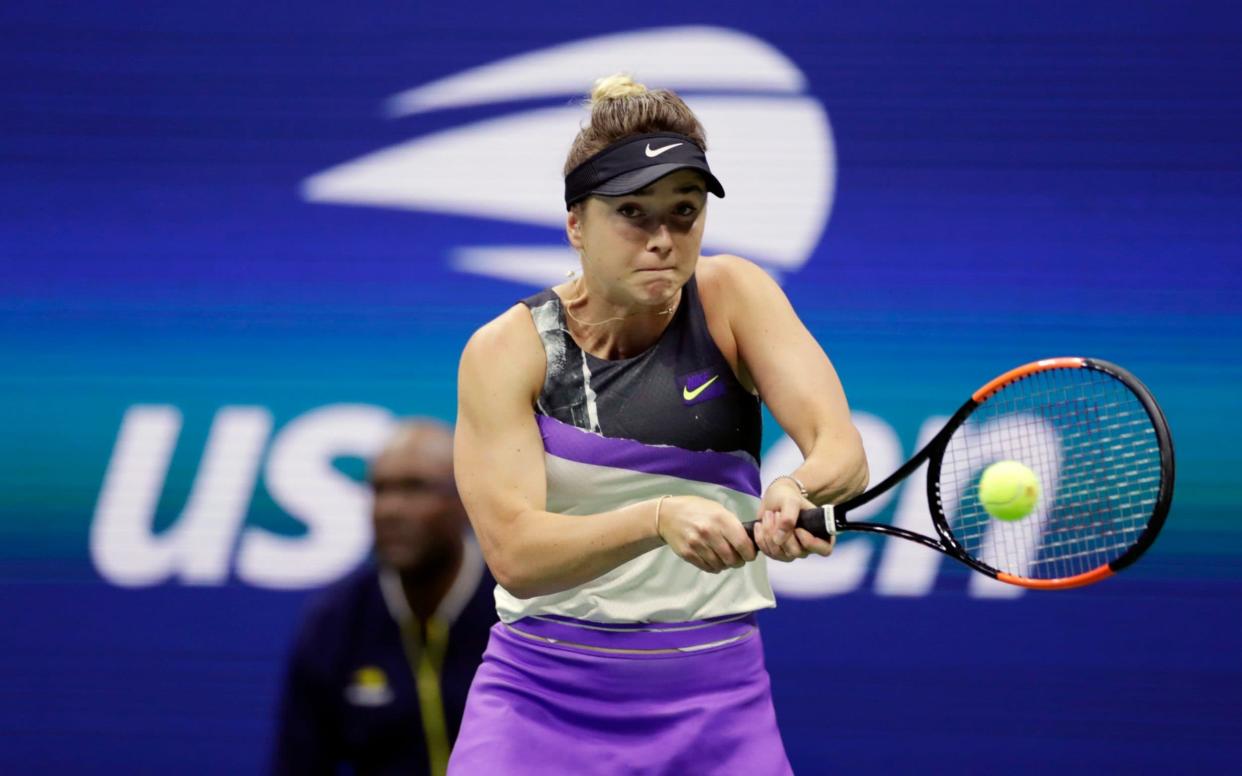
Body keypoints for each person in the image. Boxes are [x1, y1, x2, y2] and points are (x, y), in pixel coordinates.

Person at [449, 74, 868, 775]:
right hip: (539, 696)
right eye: (633, 213)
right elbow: (516, 556)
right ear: (575, 224)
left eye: (684, 211)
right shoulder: (508, 348)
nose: (664, 238)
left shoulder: (734, 296)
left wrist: (799, 488)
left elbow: (841, 450)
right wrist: (659, 516)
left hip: (715, 696)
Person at [271, 420, 495, 776]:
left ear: (466, 499)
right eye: (380, 490)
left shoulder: (519, 610)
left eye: (415, 488)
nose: (390, 510)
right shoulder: (336, 621)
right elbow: (298, 763)